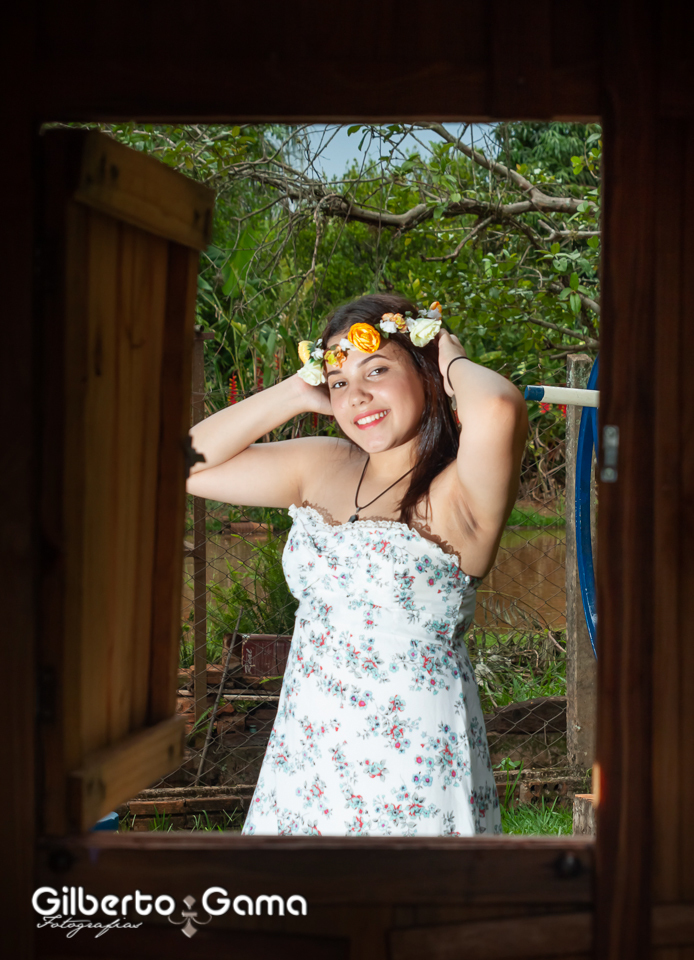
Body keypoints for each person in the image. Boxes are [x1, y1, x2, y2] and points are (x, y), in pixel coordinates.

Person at [186, 293, 528, 836]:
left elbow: (499, 407)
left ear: (424, 371)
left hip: (413, 763)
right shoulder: (323, 466)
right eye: (340, 382)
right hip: (307, 758)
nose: (357, 394)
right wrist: (294, 392)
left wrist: (449, 356)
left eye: (377, 370)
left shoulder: (460, 490)